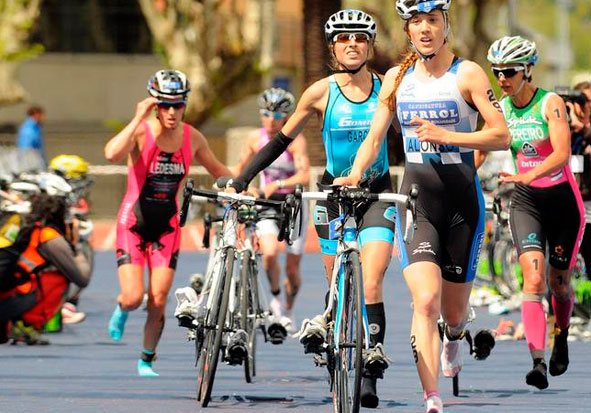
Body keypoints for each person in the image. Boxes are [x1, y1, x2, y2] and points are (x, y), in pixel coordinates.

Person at [334, 1, 510, 411]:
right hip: (418, 201)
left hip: (462, 203)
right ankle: (432, 396)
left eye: (433, 20)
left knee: (453, 312)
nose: (426, 29)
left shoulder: (466, 74)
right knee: (425, 302)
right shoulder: (397, 78)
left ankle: (453, 339)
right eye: (417, 22)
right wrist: (356, 173)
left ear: (445, 25)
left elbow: (500, 135)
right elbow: (375, 137)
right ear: (408, 31)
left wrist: (451, 138)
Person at [220, 9, 395, 408]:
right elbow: (279, 141)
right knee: (336, 283)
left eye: (360, 38)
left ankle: (371, 366)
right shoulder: (319, 92)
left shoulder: (387, 90)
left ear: (369, 45)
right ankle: (332, 326)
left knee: (371, 277)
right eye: (343, 38)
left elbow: (413, 134)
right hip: (332, 195)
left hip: (376, 194)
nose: (352, 44)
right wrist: (243, 177)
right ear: (333, 47)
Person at [104, 69, 232, 377]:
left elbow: (219, 171)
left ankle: (147, 358)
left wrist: (241, 187)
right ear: (154, 105)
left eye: (178, 105)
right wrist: (137, 117)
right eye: (164, 105)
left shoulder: (192, 137)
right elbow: (111, 154)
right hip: (134, 222)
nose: (172, 112)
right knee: (135, 297)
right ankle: (122, 308)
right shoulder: (140, 132)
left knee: (159, 297)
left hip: (168, 226)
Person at [486, 35, 585, 389]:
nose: (502, 79)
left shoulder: (550, 103)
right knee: (533, 279)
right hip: (526, 200)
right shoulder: (501, 108)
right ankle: (537, 362)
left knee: (560, 283)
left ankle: (561, 332)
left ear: (527, 70)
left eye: (509, 72)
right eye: (496, 72)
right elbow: (485, 142)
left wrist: (527, 173)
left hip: (561, 201)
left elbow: (559, 154)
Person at [231, 87, 310, 338]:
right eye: (266, 114)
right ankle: (276, 299)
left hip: (292, 205)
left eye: (278, 115)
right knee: (268, 254)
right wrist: (230, 184)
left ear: (287, 117)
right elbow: (241, 167)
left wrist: (278, 184)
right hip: (267, 205)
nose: (271, 120)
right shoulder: (255, 139)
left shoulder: (296, 140)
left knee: (292, 270)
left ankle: (289, 309)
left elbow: (305, 174)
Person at [0, 193, 91, 345]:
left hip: (8, 291)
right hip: (16, 295)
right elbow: (82, 279)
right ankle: (26, 324)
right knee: (60, 277)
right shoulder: (49, 236)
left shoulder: (29, 228)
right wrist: (77, 246)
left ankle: (10, 324)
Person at [16, 105, 47, 170]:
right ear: (36, 114)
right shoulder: (29, 128)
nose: (43, 118)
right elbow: (25, 148)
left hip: (34, 161)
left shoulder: (35, 127)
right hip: (31, 163)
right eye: (41, 115)